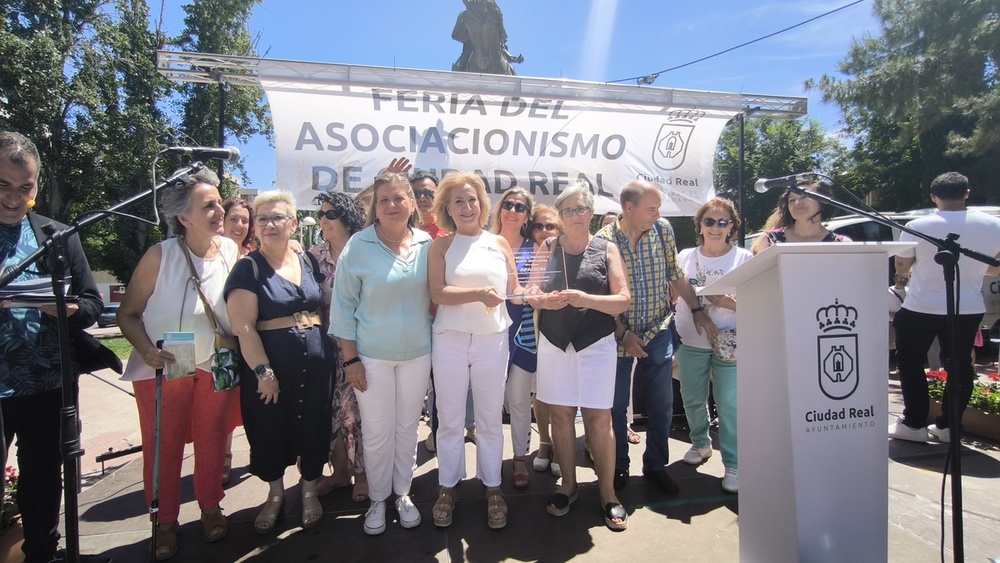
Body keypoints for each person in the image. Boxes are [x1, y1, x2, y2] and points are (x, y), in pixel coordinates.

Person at [118, 166, 240, 560]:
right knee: (164, 443)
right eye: (208, 206)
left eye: (219, 202)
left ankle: (210, 506)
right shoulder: (159, 255)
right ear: (183, 218)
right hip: (171, 358)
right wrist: (146, 350)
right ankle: (165, 520)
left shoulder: (231, 251)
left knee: (211, 437)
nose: (218, 210)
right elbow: (128, 314)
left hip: (216, 360)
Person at [0, 132, 106, 563]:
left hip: (48, 381)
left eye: (25, 187)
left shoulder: (56, 235)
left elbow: (93, 304)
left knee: (43, 477)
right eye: (3, 185)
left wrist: (61, 308)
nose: (14, 197)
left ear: (37, 185)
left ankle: (43, 552)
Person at [595, 180, 716, 494]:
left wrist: (697, 308)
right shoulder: (604, 239)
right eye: (652, 208)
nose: (658, 214)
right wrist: (622, 334)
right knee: (616, 406)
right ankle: (618, 468)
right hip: (617, 335)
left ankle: (656, 467)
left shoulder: (662, 230)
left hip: (658, 329)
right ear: (629, 208)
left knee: (662, 404)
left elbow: (676, 274)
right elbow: (599, 294)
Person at [224, 191, 333, 533]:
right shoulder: (248, 268)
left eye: (278, 218)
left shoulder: (308, 261)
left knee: (314, 426)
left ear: (293, 224)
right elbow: (243, 327)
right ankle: (274, 495)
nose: (270, 224)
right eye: (263, 219)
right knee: (270, 429)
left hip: (317, 367)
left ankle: (310, 489)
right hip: (271, 370)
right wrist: (263, 372)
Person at [331, 173, 434, 535]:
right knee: (376, 432)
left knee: (407, 428)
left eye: (398, 198)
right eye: (384, 199)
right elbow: (343, 306)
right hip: (370, 358)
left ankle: (402, 493)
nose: (392, 205)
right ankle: (377, 498)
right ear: (374, 206)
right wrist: (351, 359)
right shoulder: (358, 245)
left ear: (411, 203)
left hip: (418, 354)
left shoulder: (426, 243)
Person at [527, 183, 631, 530]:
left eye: (580, 209)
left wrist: (585, 299)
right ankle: (568, 486)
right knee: (560, 415)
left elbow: (622, 300)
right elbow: (530, 291)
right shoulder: (547, 246)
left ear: (591, 212)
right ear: (560, 215)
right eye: (567, 210)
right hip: (555, 343)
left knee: (600, 418)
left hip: (596, 344)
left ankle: (608, 494)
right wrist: (543, 300)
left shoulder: (607, 248)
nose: (574, 215)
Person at [428, 172, 526, 530]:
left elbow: (514, 291)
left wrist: (542, 294)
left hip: (492, 339)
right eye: (458, 201)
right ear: (447, 209)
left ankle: (493, 487)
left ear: (482, 204)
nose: (467, 207)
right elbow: (437, 293)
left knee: (488, 420)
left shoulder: (499, 243)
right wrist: (478, 294)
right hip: (450, 339)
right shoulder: (440, 245)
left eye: (472, 200)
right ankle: (447, 487)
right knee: (450, 419)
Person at [889, 172, 1000, 443]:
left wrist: (907, 276)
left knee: (911, 362)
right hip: (968, 306)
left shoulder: (918, 225)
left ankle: (913, 423)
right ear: (966, 193)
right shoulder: (994, 225)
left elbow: (902, 266)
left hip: (920, 305)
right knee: (960, 365)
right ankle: (950, 426)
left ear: (933, 197)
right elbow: (995, 269)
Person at [674, 198, 752, 494]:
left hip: (730, 342)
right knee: (692, 397)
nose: (716, 227)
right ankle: (701, 443)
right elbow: (673, 292)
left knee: (729, 404)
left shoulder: (744, 258)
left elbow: (760, 301)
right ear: (700, 225)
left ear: (732, 226)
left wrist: (729, 303)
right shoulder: (684, 256)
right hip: (691, 339)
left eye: (723, 222)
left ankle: (733, 463)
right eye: (710, 221)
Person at [308, 191, 370, 502]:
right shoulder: (312, 256)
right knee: (333, 414)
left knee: (356, 412)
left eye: (331, 214)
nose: (323, 219)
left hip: (363, 345)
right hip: (325, 348)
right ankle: (341, 473)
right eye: (321, 214)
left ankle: (363, 474)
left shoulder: (364, 251)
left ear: (346, 219)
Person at [489, 187, 535, 490]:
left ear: (527, 216)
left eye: (520, 207)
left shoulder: (538, 249)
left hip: (524, 337)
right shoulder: (484, 243)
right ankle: (490, 461)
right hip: (489, 335)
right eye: (508, 204)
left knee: (518, 401)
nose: (513, 211)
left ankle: (520, 457)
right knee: (490, 403)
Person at [219, 198, 254, 487]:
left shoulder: (254, 255)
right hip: (222, 342)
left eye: (244, 220)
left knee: (250, 399)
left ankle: (259, 450)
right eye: (234, 219)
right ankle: (224, 457)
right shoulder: (212, 252)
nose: (239, 225)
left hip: (252, 339)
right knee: (223, 401)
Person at [526, 205, 561, 476]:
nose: (544, 231)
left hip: (564, 330)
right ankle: (545, 442)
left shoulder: (568, 250)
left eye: (551, 226)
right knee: (541, 390)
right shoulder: (525, 253)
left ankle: (563, 445)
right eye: (539, 226)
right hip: (532, 329)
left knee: (562, 391)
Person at [753, 178, 851, 254]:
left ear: (822, 202)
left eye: (804, 196)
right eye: (791, 200)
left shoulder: (842, 244)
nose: (797, 203)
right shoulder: (770, 241)